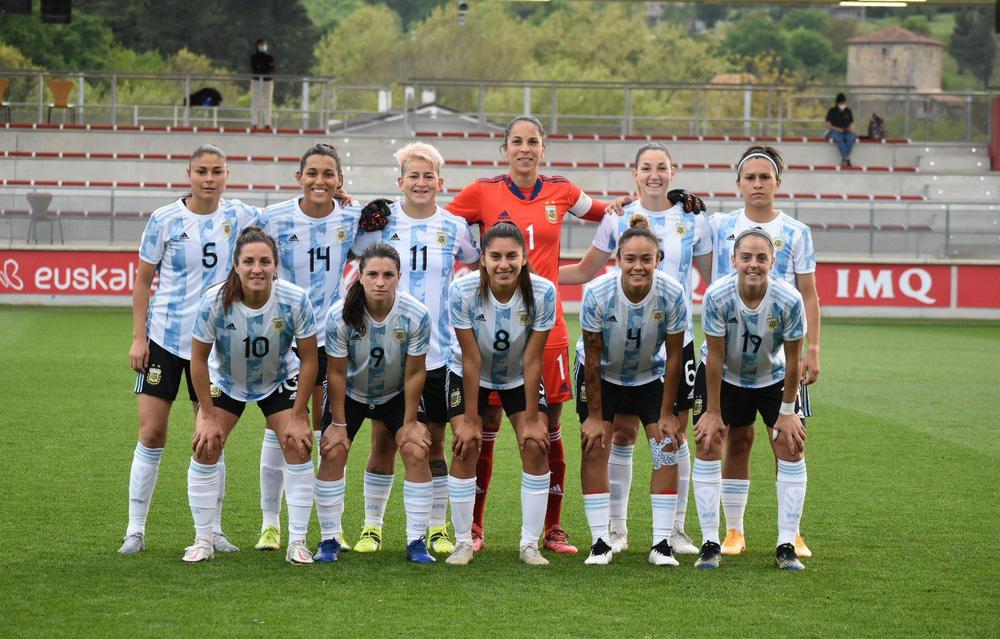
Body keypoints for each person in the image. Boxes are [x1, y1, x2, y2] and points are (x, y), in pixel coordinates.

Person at [444, 115, 703, 554]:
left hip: (549, 326)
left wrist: (666, 199)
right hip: (497, 320)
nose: (525, 149)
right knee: (482, 425)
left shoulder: (562, 190)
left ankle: (553, 528)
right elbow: (436, 220)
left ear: (543, 149)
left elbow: (616, 213)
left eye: (533, 142)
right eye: (516, 142)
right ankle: (474, 528)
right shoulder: (481, 191)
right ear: (504, 149)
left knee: (549, 428)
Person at [560, 142, 712, 558]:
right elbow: (589, 269)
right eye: (646, 167)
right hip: (615, 343)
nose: (654, 174)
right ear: (635, 173)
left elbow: (714, 276)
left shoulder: (694, 216)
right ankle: (614, 530)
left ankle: (673, 531)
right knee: (619, 435)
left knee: (672, 436)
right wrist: (530, 272)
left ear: (673, 172)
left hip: (672, 341)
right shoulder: (617, 217)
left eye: (662, 167)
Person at [120, 144, 260, 556]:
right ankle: (135, 529)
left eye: (217, 171)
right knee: (152, 433)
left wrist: (340, 195)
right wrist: (138, 336)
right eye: (202, 171)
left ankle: (213, 530)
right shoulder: (164, 220)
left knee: (210, 438)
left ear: (227, 174)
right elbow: (143, 282)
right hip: (165, 340)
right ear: (189, 174)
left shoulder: (242, 216)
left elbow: (297, 215)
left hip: (217, 348)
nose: (209, 178)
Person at [349, 143, 480, 556]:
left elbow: (478, 265)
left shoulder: (455, 225)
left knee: (434, 443)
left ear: (440, 183)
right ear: (399, 181)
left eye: (429, 176)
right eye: (414, 176)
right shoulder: (380, 225)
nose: (421, 183)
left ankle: (437, 526)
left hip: (439, 354)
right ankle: (372, 527)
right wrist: (350, 205)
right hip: (387, 352)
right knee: (384, 441)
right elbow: (347, 248)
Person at [699, 145, 820, 560]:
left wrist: (813, 350)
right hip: (727, 350)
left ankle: (792, 531)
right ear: (738, 184)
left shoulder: (797, 231)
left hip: (780, 354)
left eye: (764, 177)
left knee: (789, 437)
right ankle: (734, 530)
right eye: (749, 177)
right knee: (738, 438)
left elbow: (809, 294)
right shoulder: (718, 224)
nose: (757, 184)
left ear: (777, 184)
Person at [187, 227, 318, 564]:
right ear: (235, 265)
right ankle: (203, 540)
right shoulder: (214, 300)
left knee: (299, 445)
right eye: (249, 261)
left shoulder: (294, 299)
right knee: (206, 445)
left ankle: (298, 542)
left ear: (276, 265)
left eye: (264, 261)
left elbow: (310, 360)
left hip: (278, 379)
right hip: (227, 381)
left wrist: (300, 413)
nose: (257, 269)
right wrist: (207, 413)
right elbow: (198, 361)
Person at [254, 143, 362, 552]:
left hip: (332, 337)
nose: (320, 181)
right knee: (280, 427)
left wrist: (354, 202)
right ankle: (270, 523)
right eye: (312, 173)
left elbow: (379, 233)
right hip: (283, 336)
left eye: (328, 174)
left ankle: (331, 528)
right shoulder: (274, 217)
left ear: (339, 180)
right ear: (298, 177)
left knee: (330, 428)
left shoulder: (352, 217)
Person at [691, 228, 808, 571]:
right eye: (746, 257)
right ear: (734, 261)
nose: (753, 265)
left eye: (761, 258)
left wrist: (787, 412)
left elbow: (794, 360)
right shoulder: (717, 295)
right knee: (710, 440)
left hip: (774, 376)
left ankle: (787, 542)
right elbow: (714, 358)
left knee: (791, 443)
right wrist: (713, 412)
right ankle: (714, 541)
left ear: (773, 261)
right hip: (725, 376)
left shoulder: (789, 299)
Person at [576, 214, 688, 566]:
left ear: (658, 260)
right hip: (602, 376)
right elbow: (592, 358)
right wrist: (595, 416)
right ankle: (600, 541)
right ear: (617, 260)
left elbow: (673, 357)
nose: (638, 266)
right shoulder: (597, 293)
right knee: (596, 446)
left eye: (646, 259)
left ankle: (661, 544)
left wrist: (669, 414)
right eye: (630, 259)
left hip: (649, 376)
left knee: (665, 447)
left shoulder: (672, 293)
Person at [443, 221, 557, 566]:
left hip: (519, 375)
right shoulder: (462, 291)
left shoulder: (543, 292)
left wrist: (534, 420)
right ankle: (463, 541)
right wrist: (470, 419)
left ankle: (529, 544)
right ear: (483, 260)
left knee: (536, 444)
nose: (503, 264)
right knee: (466, 445)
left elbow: (533, 357)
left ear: (524, 257)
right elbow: (471, 358)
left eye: (511, 256)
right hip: (469, 372)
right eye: (495, 256)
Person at [316, 243, 434, 564]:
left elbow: (415, 371)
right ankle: (329, 538)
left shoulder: (416, 315)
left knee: (416, 449)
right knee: (333, 450)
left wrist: (410, 422)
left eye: (387, 275)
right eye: (372, 274)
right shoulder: (340, 315)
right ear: (360, 276)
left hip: (395, 392)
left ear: (399, 277)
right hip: (351, 392)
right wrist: (338, 425)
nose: (380, 282)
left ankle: (416, 542)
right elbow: (336, 373)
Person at [250, 38, 275, 130]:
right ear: (257, 46)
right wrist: (265, 67)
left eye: (264, 44)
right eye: (261, 44)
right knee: (255, 102)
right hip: (256, 81)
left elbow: (271, 68)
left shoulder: (269, 57)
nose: (263, 46)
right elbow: (255, 68)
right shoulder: (254, 57)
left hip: (267, 81)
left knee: (267, 102)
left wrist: (261, 67)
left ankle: (268, 123)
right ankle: (254, 123)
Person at [825, 92, 855, 167]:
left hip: (846, 131)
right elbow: (828, 125)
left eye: (844, 103)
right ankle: (846, 158)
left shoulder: (848, 111)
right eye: (841, 103)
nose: (843, 105)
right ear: (837, 103)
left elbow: (851, 123)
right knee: (839, 139)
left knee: (850, 139)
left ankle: (844, 159)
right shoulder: (832, 111)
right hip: (835, 130)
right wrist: (838, 129)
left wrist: (850, 129)